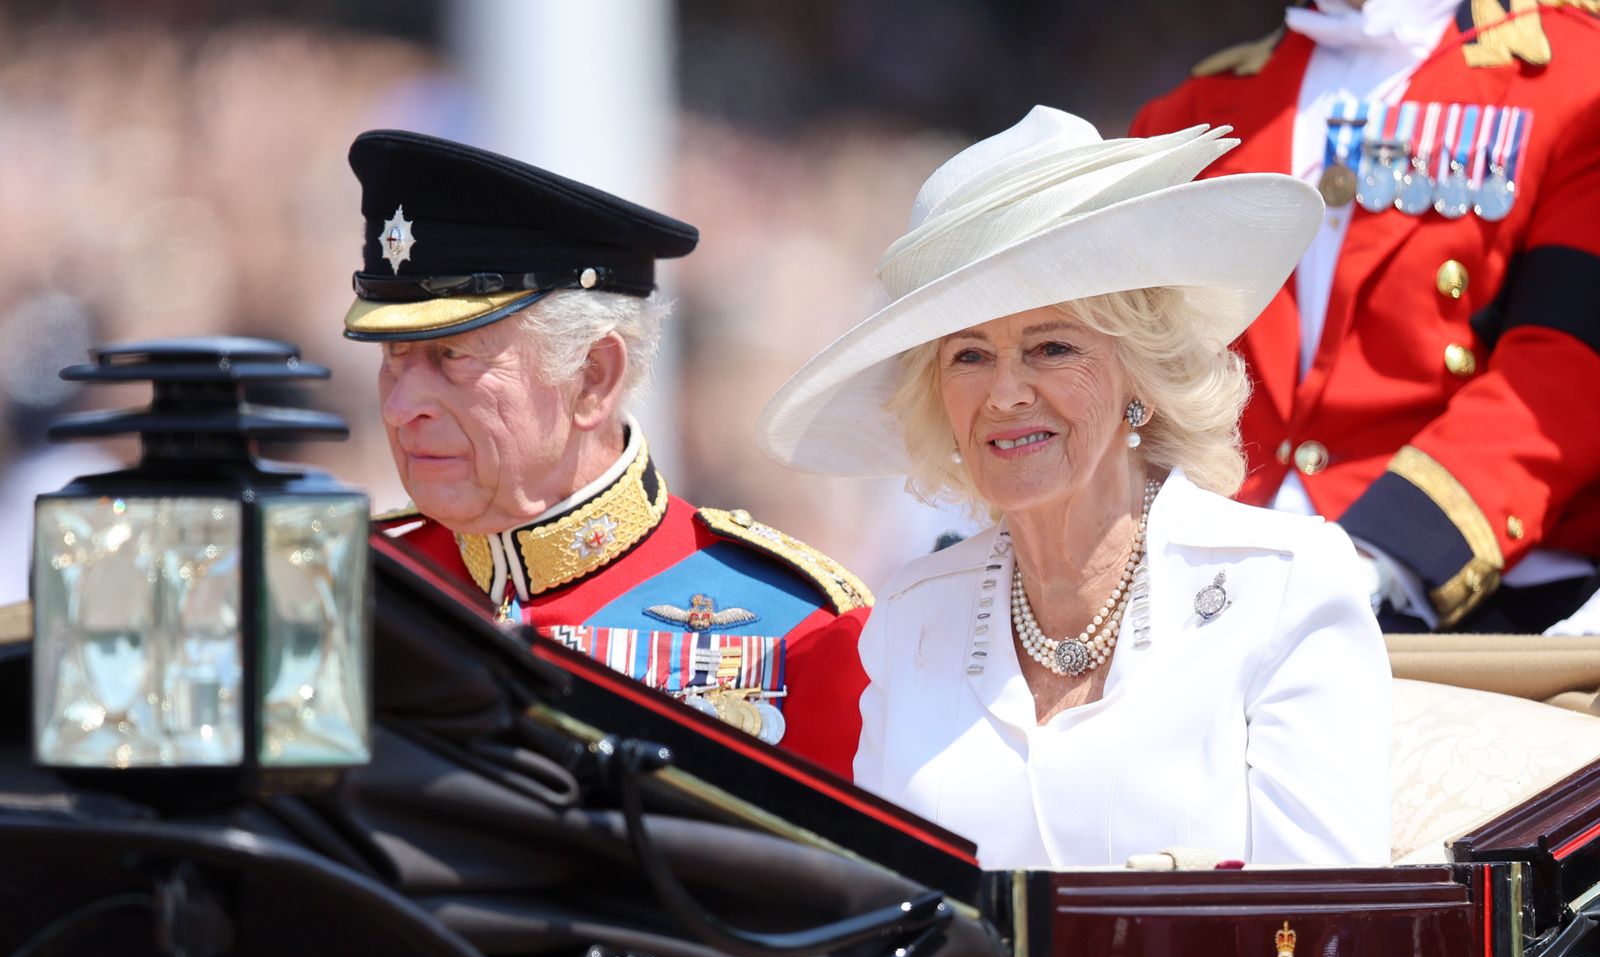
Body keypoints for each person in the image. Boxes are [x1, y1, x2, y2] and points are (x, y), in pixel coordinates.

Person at [757, 107, 1391, 868]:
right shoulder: (912, 613)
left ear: (1141, 378)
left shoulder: (1284, 585)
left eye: (1051, 346)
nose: (1006, 393)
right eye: (968, 356)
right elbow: (884, 909)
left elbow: (1334, 931)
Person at [343, 130, 870, 776]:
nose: (401, 407)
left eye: (451, 356)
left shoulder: (799, 627)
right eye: (393, 356)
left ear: (593, 377)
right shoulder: (345, 589)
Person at [1130, 0, 1600, 633]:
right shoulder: (1195, 109)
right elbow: (1129, 363)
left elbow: (1565, 373)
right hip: (1219, 574)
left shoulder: (1576, 79)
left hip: (1463, 587)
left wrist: (1382, 550)